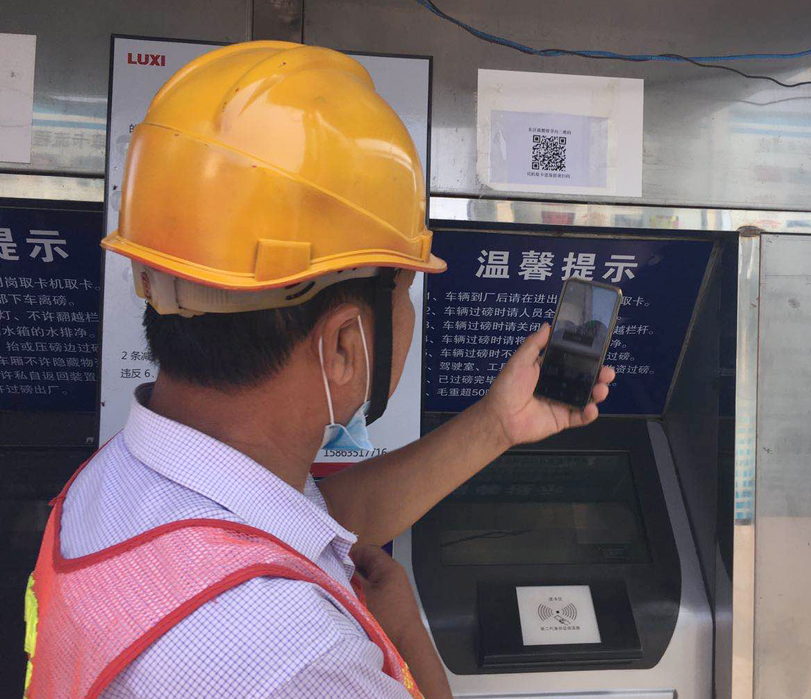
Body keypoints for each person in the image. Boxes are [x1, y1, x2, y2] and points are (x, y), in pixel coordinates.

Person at [22, 42, 613, 699]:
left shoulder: (113, 485)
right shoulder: (299, 659)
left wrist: (496, 424)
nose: (410, 312)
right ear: (344, 347)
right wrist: (401, 632)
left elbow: (313, 519)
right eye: (404, 290)